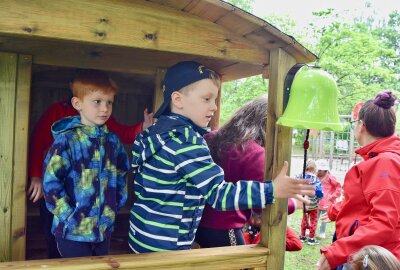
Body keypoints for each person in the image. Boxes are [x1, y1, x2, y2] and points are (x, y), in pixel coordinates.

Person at [128, 61, 315, 253]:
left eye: (215, 100)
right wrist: (272, 190)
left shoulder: (153, 133)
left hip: (141, 236)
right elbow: (219, 195)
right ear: (178, 99)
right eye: (206, 99)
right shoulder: (187, 141)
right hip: (166, 246)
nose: (215, 107)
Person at [28, 69, 153, 258]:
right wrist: (69, 217)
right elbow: (51, 183)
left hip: (103, 229)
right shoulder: (65, 140)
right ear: (77, 103)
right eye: (97, 102)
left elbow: (121, 173)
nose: (105, 108)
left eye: (109, 102)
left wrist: (114, 206)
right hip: (72, 232)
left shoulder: (113, 141)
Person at [194, 95, 301, 250]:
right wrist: (293, 203)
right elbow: (266, 203)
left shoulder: (210, 138)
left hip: (195, 227)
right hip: (225, 231)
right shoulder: (253, 153)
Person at [316, 91, 400, 270]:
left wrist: (338, 251)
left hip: (372, 259)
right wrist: (335, 210)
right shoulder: (378, 159)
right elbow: (362, 202)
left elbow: (384, 222)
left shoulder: (385, 163)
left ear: (361, 125)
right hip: (364, 252)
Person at [298, 159, 324, 246]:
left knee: (304, 219)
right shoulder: (315, 179)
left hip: (304, 203)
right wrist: (320, 197)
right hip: (314, 205)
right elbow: (319, 191)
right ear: (315, 169)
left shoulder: (301, 176)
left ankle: (302, 236)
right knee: (313, 220)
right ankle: (311, 238)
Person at [316, 159, 342, 239]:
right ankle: (312, 230)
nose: (319, 172)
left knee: (324, 218)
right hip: (317, 201)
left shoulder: (330, 177)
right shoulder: (316, 177)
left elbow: (338, 187)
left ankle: (322, 232)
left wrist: (333, 196)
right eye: (318, 170)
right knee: (315, 217)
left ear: (325, 170)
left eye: (321, 170)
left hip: (326, 202)